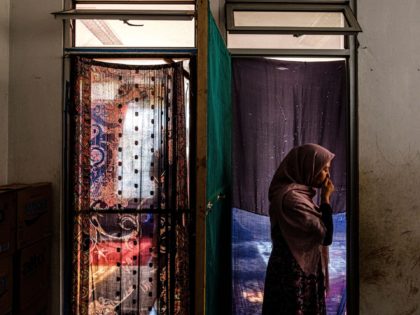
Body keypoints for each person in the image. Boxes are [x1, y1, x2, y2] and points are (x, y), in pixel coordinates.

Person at [262, 143, 335, 315]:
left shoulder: (302, 196)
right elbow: (325, 236)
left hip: (300, 272)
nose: (328, 175)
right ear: (308, 167)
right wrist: (325, 199)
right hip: (292, 276)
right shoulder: (292, 199)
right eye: (323, 169)